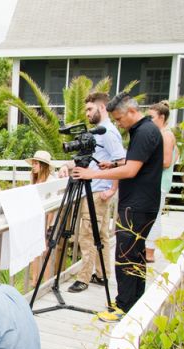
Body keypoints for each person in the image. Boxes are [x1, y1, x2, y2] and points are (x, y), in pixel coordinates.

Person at [71, 92, 163, 323]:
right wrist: (113, 164)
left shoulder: (144, 132)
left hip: (137, 205)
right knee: (135, 255)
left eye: (120, 119)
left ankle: (123, 306)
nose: (118, 124)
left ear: (131, 111)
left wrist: (93, 174)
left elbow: (130, 170)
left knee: (125, 255)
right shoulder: (145, 130)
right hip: (141, 203)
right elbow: (135, 163)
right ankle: (134, 301)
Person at [64, 92, 127, 293]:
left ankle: (83, 278)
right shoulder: (101, 132)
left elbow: (120, 161)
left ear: (101, 108)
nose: (87, 113)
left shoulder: (107, 132)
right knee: (101, 235)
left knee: (87, 236)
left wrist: (112, 189)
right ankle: (102, 274)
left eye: (90, 109)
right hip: (97, 190)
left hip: (97, 191)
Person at [144, 101, 179, 262]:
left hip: (159, 184)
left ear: (162, 117)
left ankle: (149, 252)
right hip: (158, 183)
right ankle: (148, 250)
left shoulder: (166, 135)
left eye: (152, 117)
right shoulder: (165, 134)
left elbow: (166, 161)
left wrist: (145, 163)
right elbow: (176, 155)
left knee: (154, 218)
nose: (149, 121)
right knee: (152, 217)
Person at [28, 150, 64, 283]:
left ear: (43, 165)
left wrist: (47, 226)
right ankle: (34, 280)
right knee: (34, 252)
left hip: (48, 222)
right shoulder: (34, 180)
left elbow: (52, 207)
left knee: (45, 252)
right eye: (33, 163)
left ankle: (47, 281)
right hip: (36, 220)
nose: (33, 166)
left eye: (36, 163)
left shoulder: (51, 181)